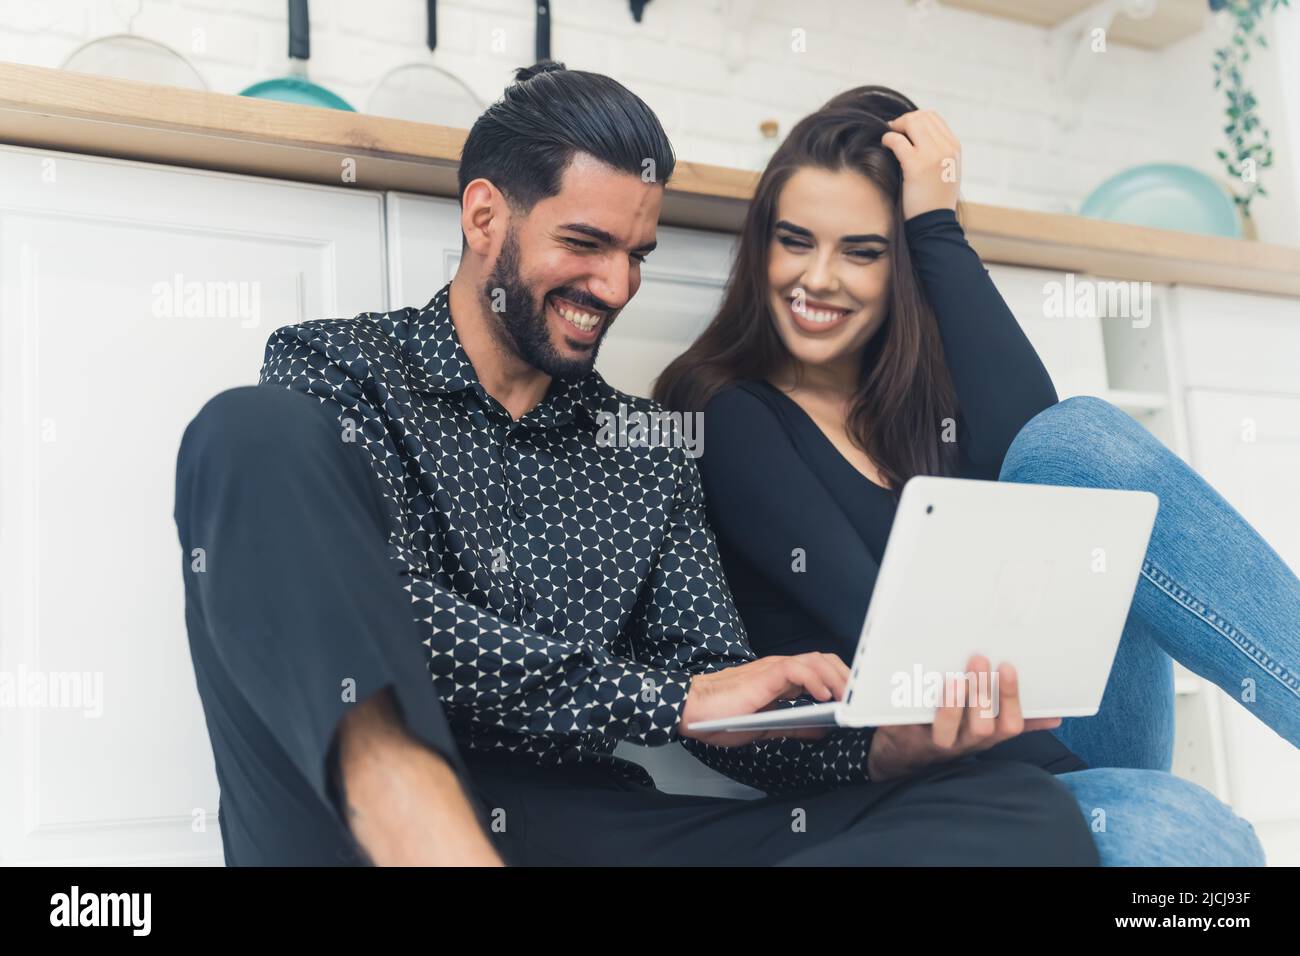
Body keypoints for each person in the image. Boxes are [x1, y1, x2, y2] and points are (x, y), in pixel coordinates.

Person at [173, 64, 1101, 866]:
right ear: (485, 216)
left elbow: (721, 705)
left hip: (587, 831)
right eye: (585, 243)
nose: (614, 287)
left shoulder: (647, 445)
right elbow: (385, 614)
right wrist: (668, 697)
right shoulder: (337, 370)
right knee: (245, 432)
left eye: (636, 254)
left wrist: (878, 752)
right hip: (357, 821)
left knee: (1018, 817)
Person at [654, 85, 1289, 866]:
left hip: (1047, 734)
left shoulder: (922, 408)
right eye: (795, 241)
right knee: (1193, 838)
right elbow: (890, 635)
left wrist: (936, 226)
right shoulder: (723, 409)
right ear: (761, 248)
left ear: (902, 270)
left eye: (862, 251)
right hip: (919, 784)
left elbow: (1046, 445)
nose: (818, 279)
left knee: (1077, 443)